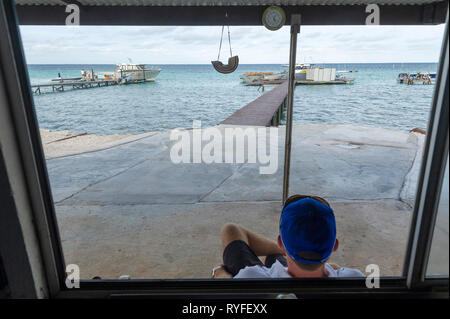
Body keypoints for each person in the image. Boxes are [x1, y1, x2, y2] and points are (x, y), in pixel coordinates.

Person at [212, 195, 364, 279]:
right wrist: (334, 268)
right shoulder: (354, 279)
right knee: (272, 257)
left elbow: (226, 285)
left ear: (280, 242)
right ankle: (285, 254)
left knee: (230, 230)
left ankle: (287, 252)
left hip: (275, 271)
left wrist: (219, 273)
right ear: (334, 246)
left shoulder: (250, 277)